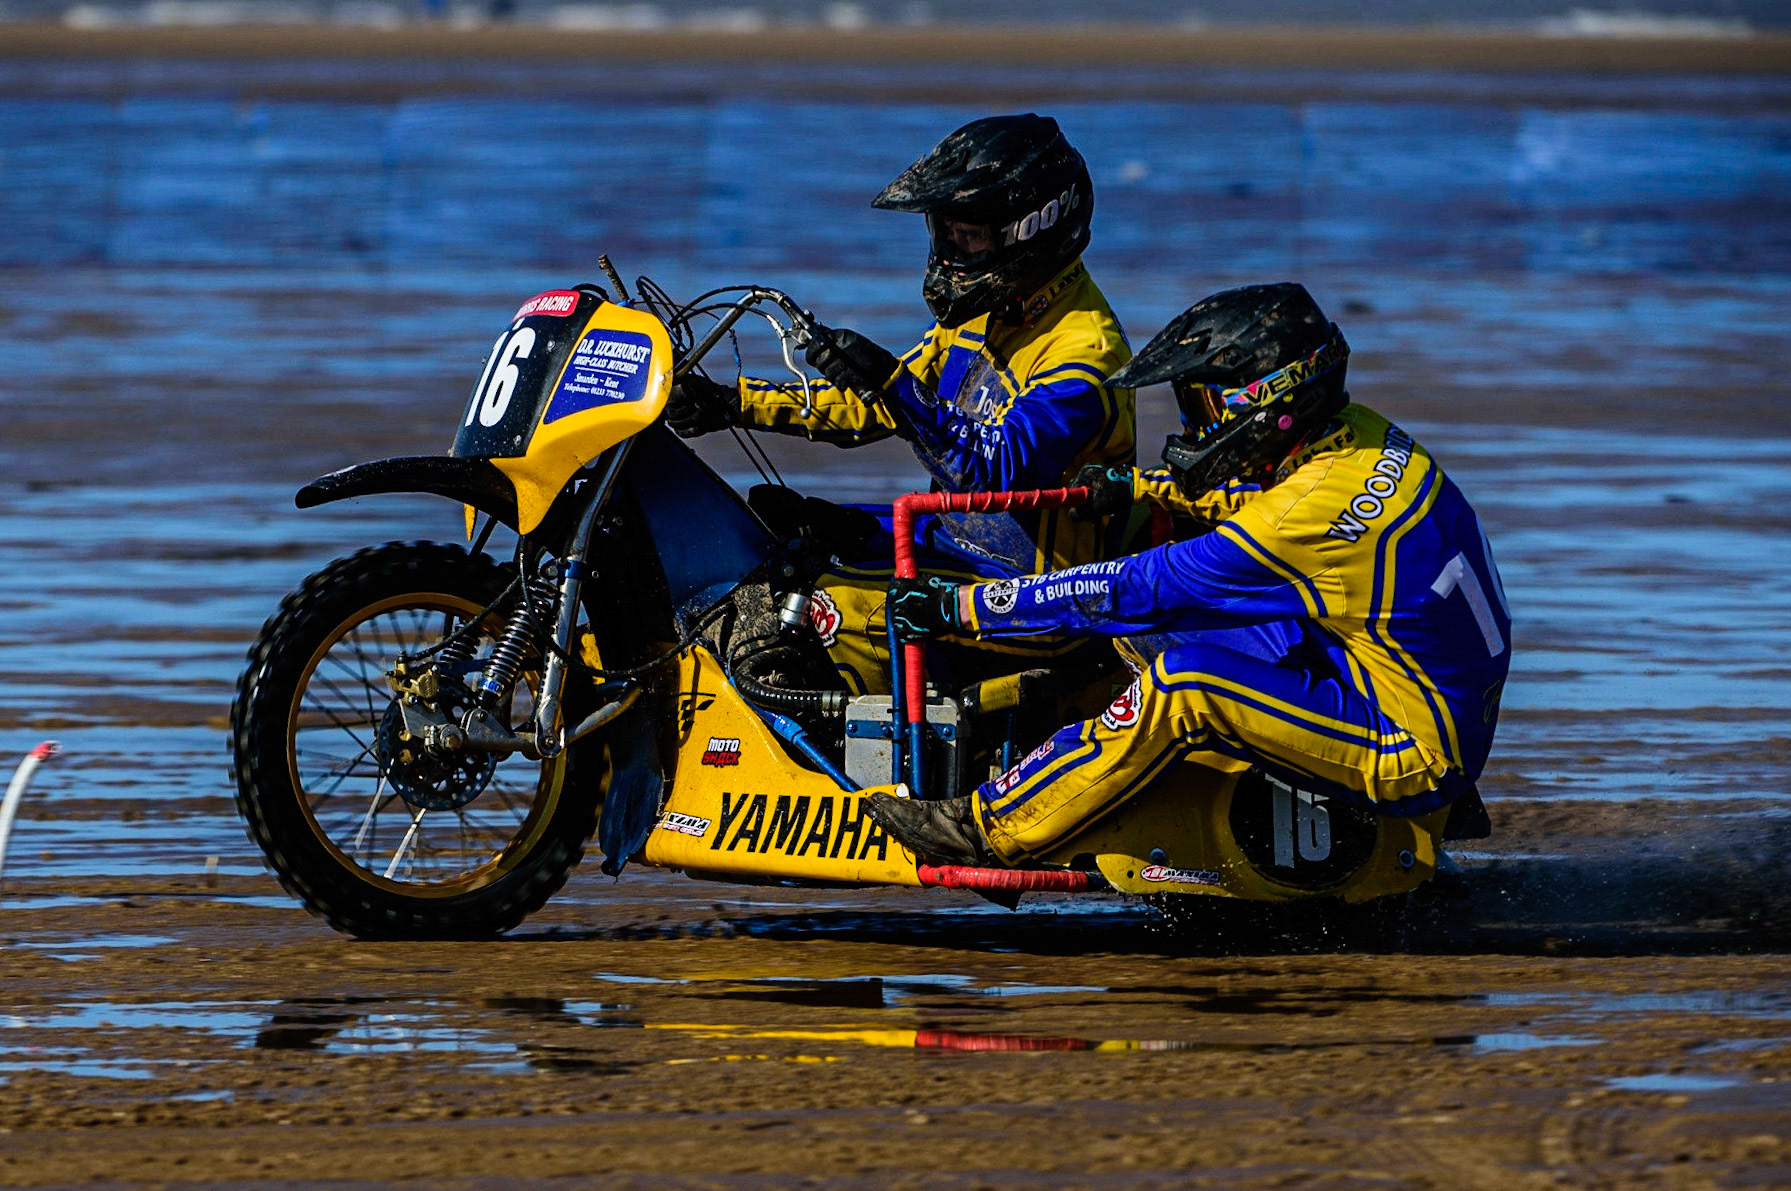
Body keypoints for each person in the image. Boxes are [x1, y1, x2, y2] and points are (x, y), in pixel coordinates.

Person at [864, 283, 1510, 867]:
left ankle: (991, 828)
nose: (1191, 424)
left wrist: (964, 608)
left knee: (1181, 681)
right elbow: (1268, 512)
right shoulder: (1361, 437)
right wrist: (1139, 487)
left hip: (1414, 752)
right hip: (1395, 679)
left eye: (1202, 404)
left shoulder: (1307, 510)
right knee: (1150, 632)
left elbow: (1131, 589)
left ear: (1268, 403)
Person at [664, 113, 1135, 694]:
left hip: (1041, 601)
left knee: (811, 611)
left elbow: (991, 468)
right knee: (777, 537)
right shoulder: (991, 315)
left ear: (1033, 230)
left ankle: (873, 770)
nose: (950, 255)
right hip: (953, 547)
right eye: (945, 236)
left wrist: (891, 381)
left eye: (969, 239)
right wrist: (731, 403)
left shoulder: (1087, 353)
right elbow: (871, 407)